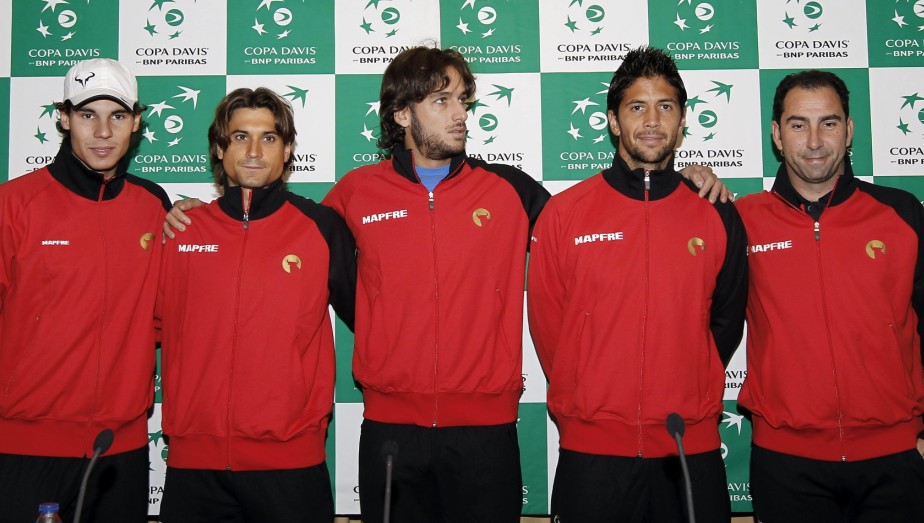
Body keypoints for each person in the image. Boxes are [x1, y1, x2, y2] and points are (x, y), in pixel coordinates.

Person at [163, 46, 730, 522]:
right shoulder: (355, 194)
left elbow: (606, 216)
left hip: (486, 434)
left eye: (464, 100)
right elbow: (280, 233)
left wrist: (682, 181)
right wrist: (201, 213)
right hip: (390, 431)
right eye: (443, 101)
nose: (461, 113)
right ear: (402, 114)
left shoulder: (510, 190)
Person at [527, 46, 748, 522]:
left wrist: (691, 373)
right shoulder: (564, 213)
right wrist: (585, 388)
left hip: (688, 447)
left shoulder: (717, 213)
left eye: (665, 106)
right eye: (636, 107)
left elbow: (726, 321)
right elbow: (549, 326)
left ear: (682, 121)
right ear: (613, 120)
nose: (652, 121)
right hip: (592, 452)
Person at [156, 87, 356, 522]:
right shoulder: (181, 230)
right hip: (195, 466)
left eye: (268, 138)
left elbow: (375, 318)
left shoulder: (321, 227)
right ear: (219, 148)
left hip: (291, 464)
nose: (253, 151)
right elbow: (145, 326)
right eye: (239, 136)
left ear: (287, 150)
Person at [735, 70, 924, 522]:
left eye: (829, 123)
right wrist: (687, 178)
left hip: (896, 456)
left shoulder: (902, 212)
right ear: (777, 135)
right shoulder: (740, 221)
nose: (815, 141)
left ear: (849, 129)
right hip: (786, 461)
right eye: (798, 124)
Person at [0, 58, 170, 523]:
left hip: (120, 448)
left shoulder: (153, 205)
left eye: (117, 116)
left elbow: (163, 314)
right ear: (62, 118)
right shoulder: (13, 204)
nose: (102, 131)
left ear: (136, 122)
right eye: (86, 114)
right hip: (25, 444)